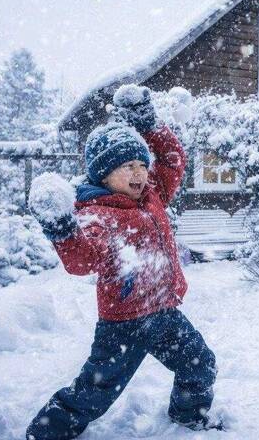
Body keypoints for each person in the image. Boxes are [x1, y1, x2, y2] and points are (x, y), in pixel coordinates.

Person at [25, 85, 220, 439]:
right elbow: (81, 261)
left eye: (142, 164)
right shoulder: (97, 215)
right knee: (93, 395)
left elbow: (173, 158)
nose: (139, 173)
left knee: (200, 363)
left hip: (163, 313)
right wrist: (61, 227)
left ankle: (189, 414)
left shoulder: (152, 195)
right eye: (127, 166)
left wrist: (148, 125)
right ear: (103, 174)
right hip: (123, 325)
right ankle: (45, 432)